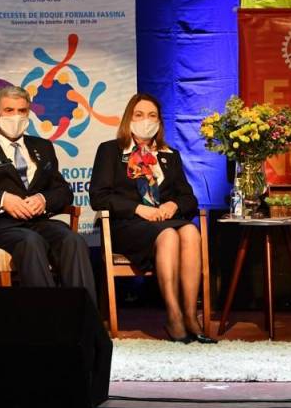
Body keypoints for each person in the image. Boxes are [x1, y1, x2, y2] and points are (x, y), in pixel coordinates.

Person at [0, 86, 96, 303]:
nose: (16, 116)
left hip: (39, 221)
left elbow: (63, 191)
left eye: (22, 111)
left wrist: (43, 199)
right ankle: (48, 317)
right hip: (0, 225)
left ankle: (85, 314)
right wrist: (2, 199)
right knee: (30, 241)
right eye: (9, 110)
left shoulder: (43, 147)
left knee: (73, 240)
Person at [89, 92, 216, 343]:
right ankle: (173, 316)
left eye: (152, 115)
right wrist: (138, 209)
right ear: (129, 119)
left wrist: (172, 204)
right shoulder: (110, 151)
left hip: (163, 221)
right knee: (169, 235)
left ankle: (191, 315)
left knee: (190, 232)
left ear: (159, 121)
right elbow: (99, 197)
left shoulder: (170, 155)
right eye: (139, 115)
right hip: (128, 225)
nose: (145, 120)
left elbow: (189, 199)